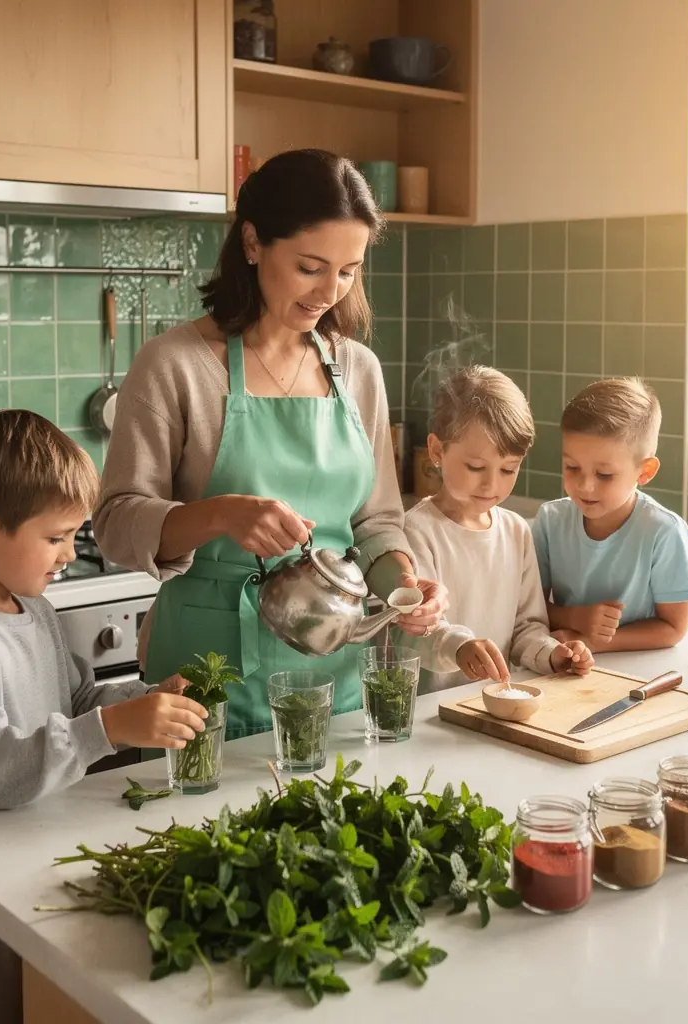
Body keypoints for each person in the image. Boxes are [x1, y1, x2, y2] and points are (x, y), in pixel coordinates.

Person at [93, 148, 445, 738]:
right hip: (205, 679)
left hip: (334, 673)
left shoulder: (358, 368)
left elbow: (377, 519)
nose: (330, 290)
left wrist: (406, 587)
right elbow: (116, 523)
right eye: (310, 267)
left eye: (349, 270)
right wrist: (221, 515)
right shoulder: (173, 365)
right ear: (253, 243)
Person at [0, 411, 206, 1024]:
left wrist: (141, 705)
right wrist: (109, 731)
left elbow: (77, 705)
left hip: (24, 864)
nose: (70, 554)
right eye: (57, 537)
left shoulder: (33, 609)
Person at [400, 366, 593, 691]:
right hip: (429, 713)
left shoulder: (516, 532)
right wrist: (460, 647)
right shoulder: (416, 531)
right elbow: (416, 632)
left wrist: (552, 654)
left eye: (508, 469)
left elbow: (526, 628)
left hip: (493, 704)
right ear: (437, 451)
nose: (492, 484)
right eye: (476, 467)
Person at [530, 377, 688, 653]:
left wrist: (595, 642)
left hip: (641, 670)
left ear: (645, 471)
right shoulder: (550, 520)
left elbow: (673, 628)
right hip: (567, 663)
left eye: (604, 474)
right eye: (572, 467)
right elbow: (527, 607)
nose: (585, 486)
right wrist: (576, 618)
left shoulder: (664, 532)